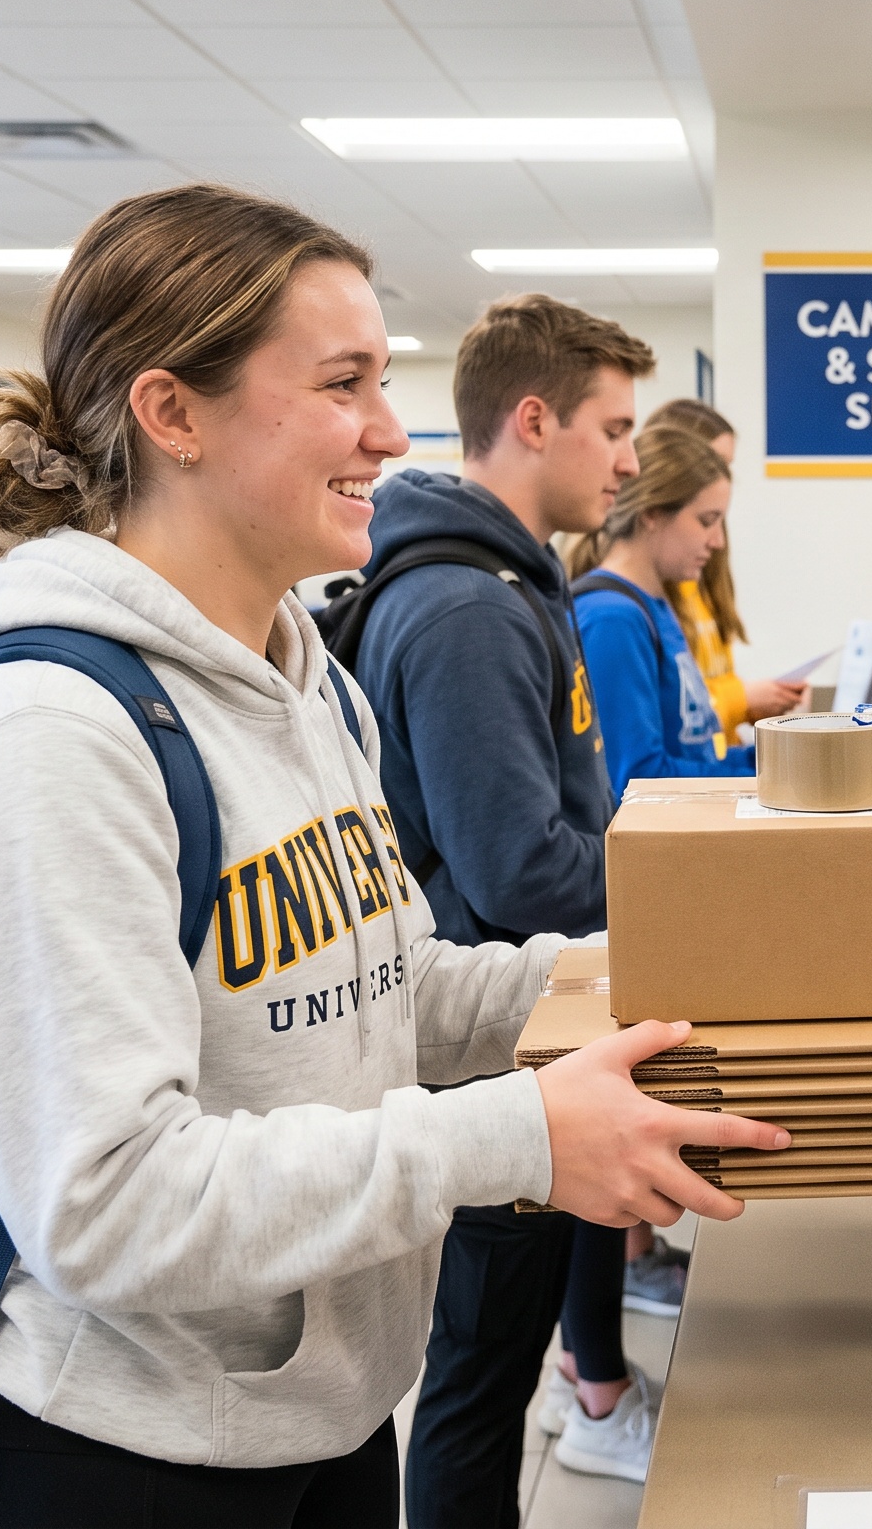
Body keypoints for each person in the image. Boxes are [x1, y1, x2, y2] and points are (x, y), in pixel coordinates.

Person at [0, 184, 784, 1528]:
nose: (390, 431)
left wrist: (635, 972)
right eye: (342, 383)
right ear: (171, 412)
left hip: (317, 1419)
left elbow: (392, 985)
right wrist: (518, 1137)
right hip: (115, 1459)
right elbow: (108, 1204)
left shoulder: (304, 683)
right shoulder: (48, 740)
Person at [350, 295, 673, 1508]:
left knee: (497, 1352)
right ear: (532, 421)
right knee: (481, 1375)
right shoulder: (470, 607)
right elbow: (520, 872)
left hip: (530, 1032)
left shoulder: (514, 582)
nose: (633, 459)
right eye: (614, 426)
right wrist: (702, 878)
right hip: (493, 1054)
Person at [566, 427, 758, 797]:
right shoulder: (612, 619)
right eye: (706, 521)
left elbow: (690, 750)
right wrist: (760, 780)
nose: (717, 542)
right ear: (652, 513)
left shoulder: (654, 605)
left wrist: (768, 762)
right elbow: (638, 782)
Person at [638, 398, 804, 746]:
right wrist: (742, 699)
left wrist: (753, 706)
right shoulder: (632, 604)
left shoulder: (700, 578)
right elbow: (669, 720)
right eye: (713, 464)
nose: (721, 479)